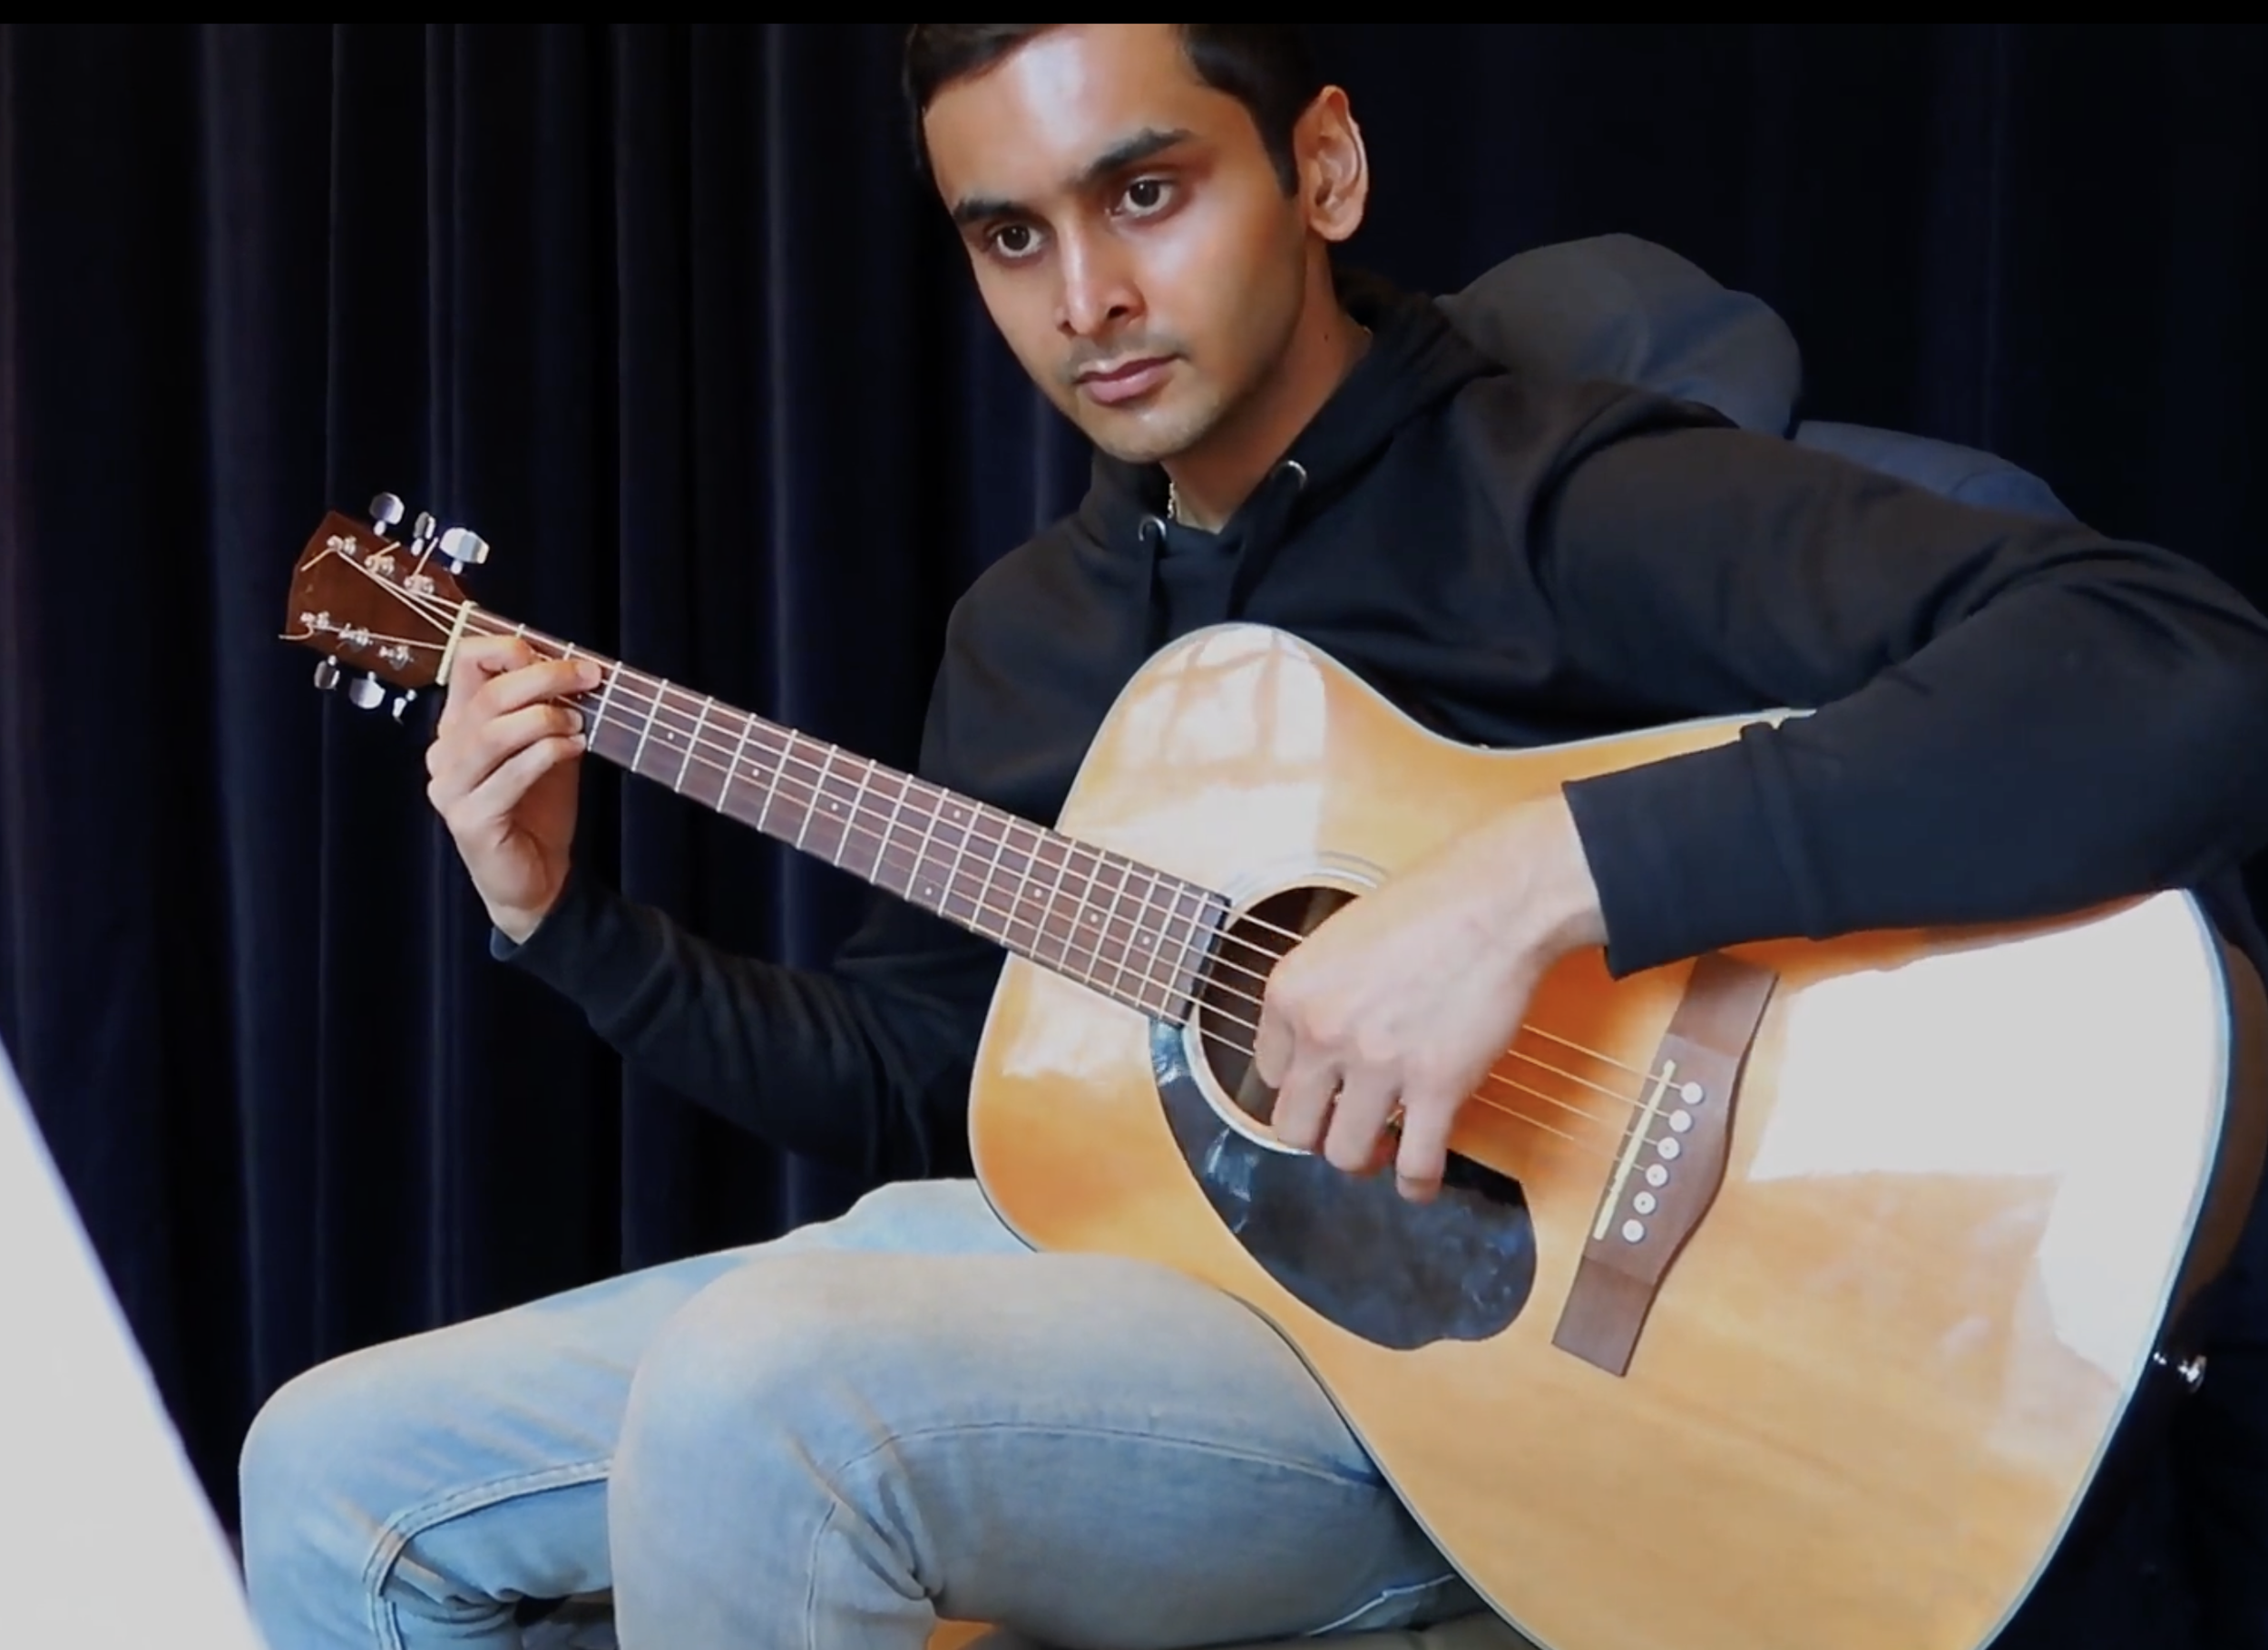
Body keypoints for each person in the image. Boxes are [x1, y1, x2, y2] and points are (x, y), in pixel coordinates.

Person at [239, 22, 2268, 1650]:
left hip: (1513, 1381)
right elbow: (930, 1085)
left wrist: (1536, 880)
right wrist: (564, 917)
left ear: (1317, 169)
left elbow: (2175, 666)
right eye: (1008, 235)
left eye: (1143, 191)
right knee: (328, 1464)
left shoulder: (1541, 493)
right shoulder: (1031, 641)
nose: (1088, 297)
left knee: (775, 1383)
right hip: (1146, 1291)